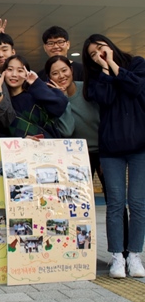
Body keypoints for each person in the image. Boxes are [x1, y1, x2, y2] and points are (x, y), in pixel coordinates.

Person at [46, 54, 129, 255]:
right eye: (55, 73)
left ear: (71, 70)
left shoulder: (88, 89)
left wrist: (107, 153)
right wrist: (62, 100)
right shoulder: (52, 98)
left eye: (64, 70)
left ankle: (124, 253)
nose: (61, 76)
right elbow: (67, 130)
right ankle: (75, 253)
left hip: (105, 151)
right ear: (49, 77)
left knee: (116, 202)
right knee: (74, 205)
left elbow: (107, 118)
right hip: (76, 157)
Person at [82, 34, 145, 278]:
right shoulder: (96, 78)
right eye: (92, 54)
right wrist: (105, 69)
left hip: (140, 145)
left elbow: (136, 87)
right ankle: (117, 256)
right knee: (115, 203)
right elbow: (105, 98)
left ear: (110, 45)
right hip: (110, 148)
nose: (98, 54)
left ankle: (135, 255)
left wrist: (113, 64)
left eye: (101, 47)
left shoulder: (136, 63)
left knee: (137, 202)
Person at [3, 54, 73, 139]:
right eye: (10, 69)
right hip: (18, 146)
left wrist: (36, 82)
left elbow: (59, 106)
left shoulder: (36, 93)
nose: (14, 74)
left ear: (27, 73)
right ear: (3, 72)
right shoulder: (2, 101)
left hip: (49, 144)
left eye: (20, 70)